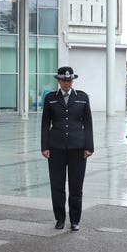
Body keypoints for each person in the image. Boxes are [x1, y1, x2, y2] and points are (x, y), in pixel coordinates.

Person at [41, 66, 94, 231]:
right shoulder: (50, 98)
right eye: (64, 80)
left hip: (78, 148)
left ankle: (75, 220)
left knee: (76, 186)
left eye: (69, 80)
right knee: (57, 186)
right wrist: (45, 146)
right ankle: (60, 218)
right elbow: (45, 124)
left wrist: (89, 146)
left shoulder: (82, 97)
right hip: (56, 148)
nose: (67, 83)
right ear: (58, 81)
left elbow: (88, 123)